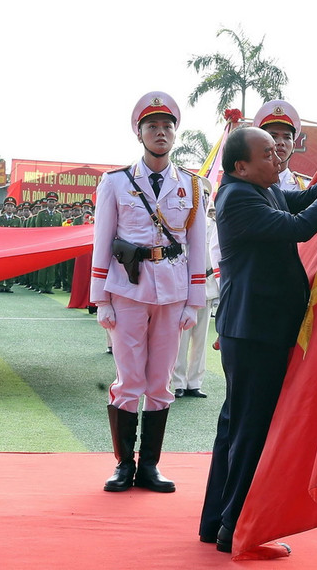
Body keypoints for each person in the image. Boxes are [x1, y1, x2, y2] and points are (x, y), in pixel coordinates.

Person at [199, 118, 317, 554]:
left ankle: (216, 522)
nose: (278, 156)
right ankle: (237, 530)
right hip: (255, 332)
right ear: (240, 167)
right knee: (250, 432)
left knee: (235, 428)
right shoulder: (237, 198)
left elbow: (303, 198)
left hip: (255, 328)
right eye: (266, 153)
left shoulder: (259, 189)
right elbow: (300, 226)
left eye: (277, 149)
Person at [91, 91, 207, 495]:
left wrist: (195, 300)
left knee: (160, 381)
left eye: (167, 126)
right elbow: (102, 239)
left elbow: (197, 245)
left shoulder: (191, 186)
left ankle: (151, 466)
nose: (161, 133)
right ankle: (124, 464)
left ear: (175, 134)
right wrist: (101, 298)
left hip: (173, 293)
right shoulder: (115, 183)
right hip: (127, 291)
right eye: (152, 127)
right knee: (129, 379)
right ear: (138, 133)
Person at [172, 177, 216, 399]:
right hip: (184, 286)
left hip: (206, 286)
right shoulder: (180, 220)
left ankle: (194, 383)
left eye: (207, 196)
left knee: (200, 339)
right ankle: (177, 382)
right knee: (181, 338)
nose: (205, 200)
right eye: (201, 196)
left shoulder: (216, 224)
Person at [258, 101, 312, 192]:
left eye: (287, 137)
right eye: (273, 136)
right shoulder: (247, 184)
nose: (280, 143)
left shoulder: (305, 187)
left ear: (294, 147)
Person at [34, 192, 63, 293]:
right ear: (47, 202)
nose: (51, 203)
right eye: (50, 201)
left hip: (53, 244)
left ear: (56, 203)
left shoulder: (58, 215)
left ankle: (49, 286)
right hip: (43, 243)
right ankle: (41, 286)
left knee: (52, 267)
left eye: (53, 202)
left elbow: (60, 230)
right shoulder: (41, 214)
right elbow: (38, 229)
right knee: (43, 265)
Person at [0, 196, 21, 292]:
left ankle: (9, 285)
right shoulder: (0, 219)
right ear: (4, 207)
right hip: (1, 246)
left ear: (14, 208)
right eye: (8, 205)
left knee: (11, 266)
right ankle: (0, 285)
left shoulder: (17, 220)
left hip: (12, 247)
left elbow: (19, 234)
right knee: (0, 266)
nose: (9, 207)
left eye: (11, 206)